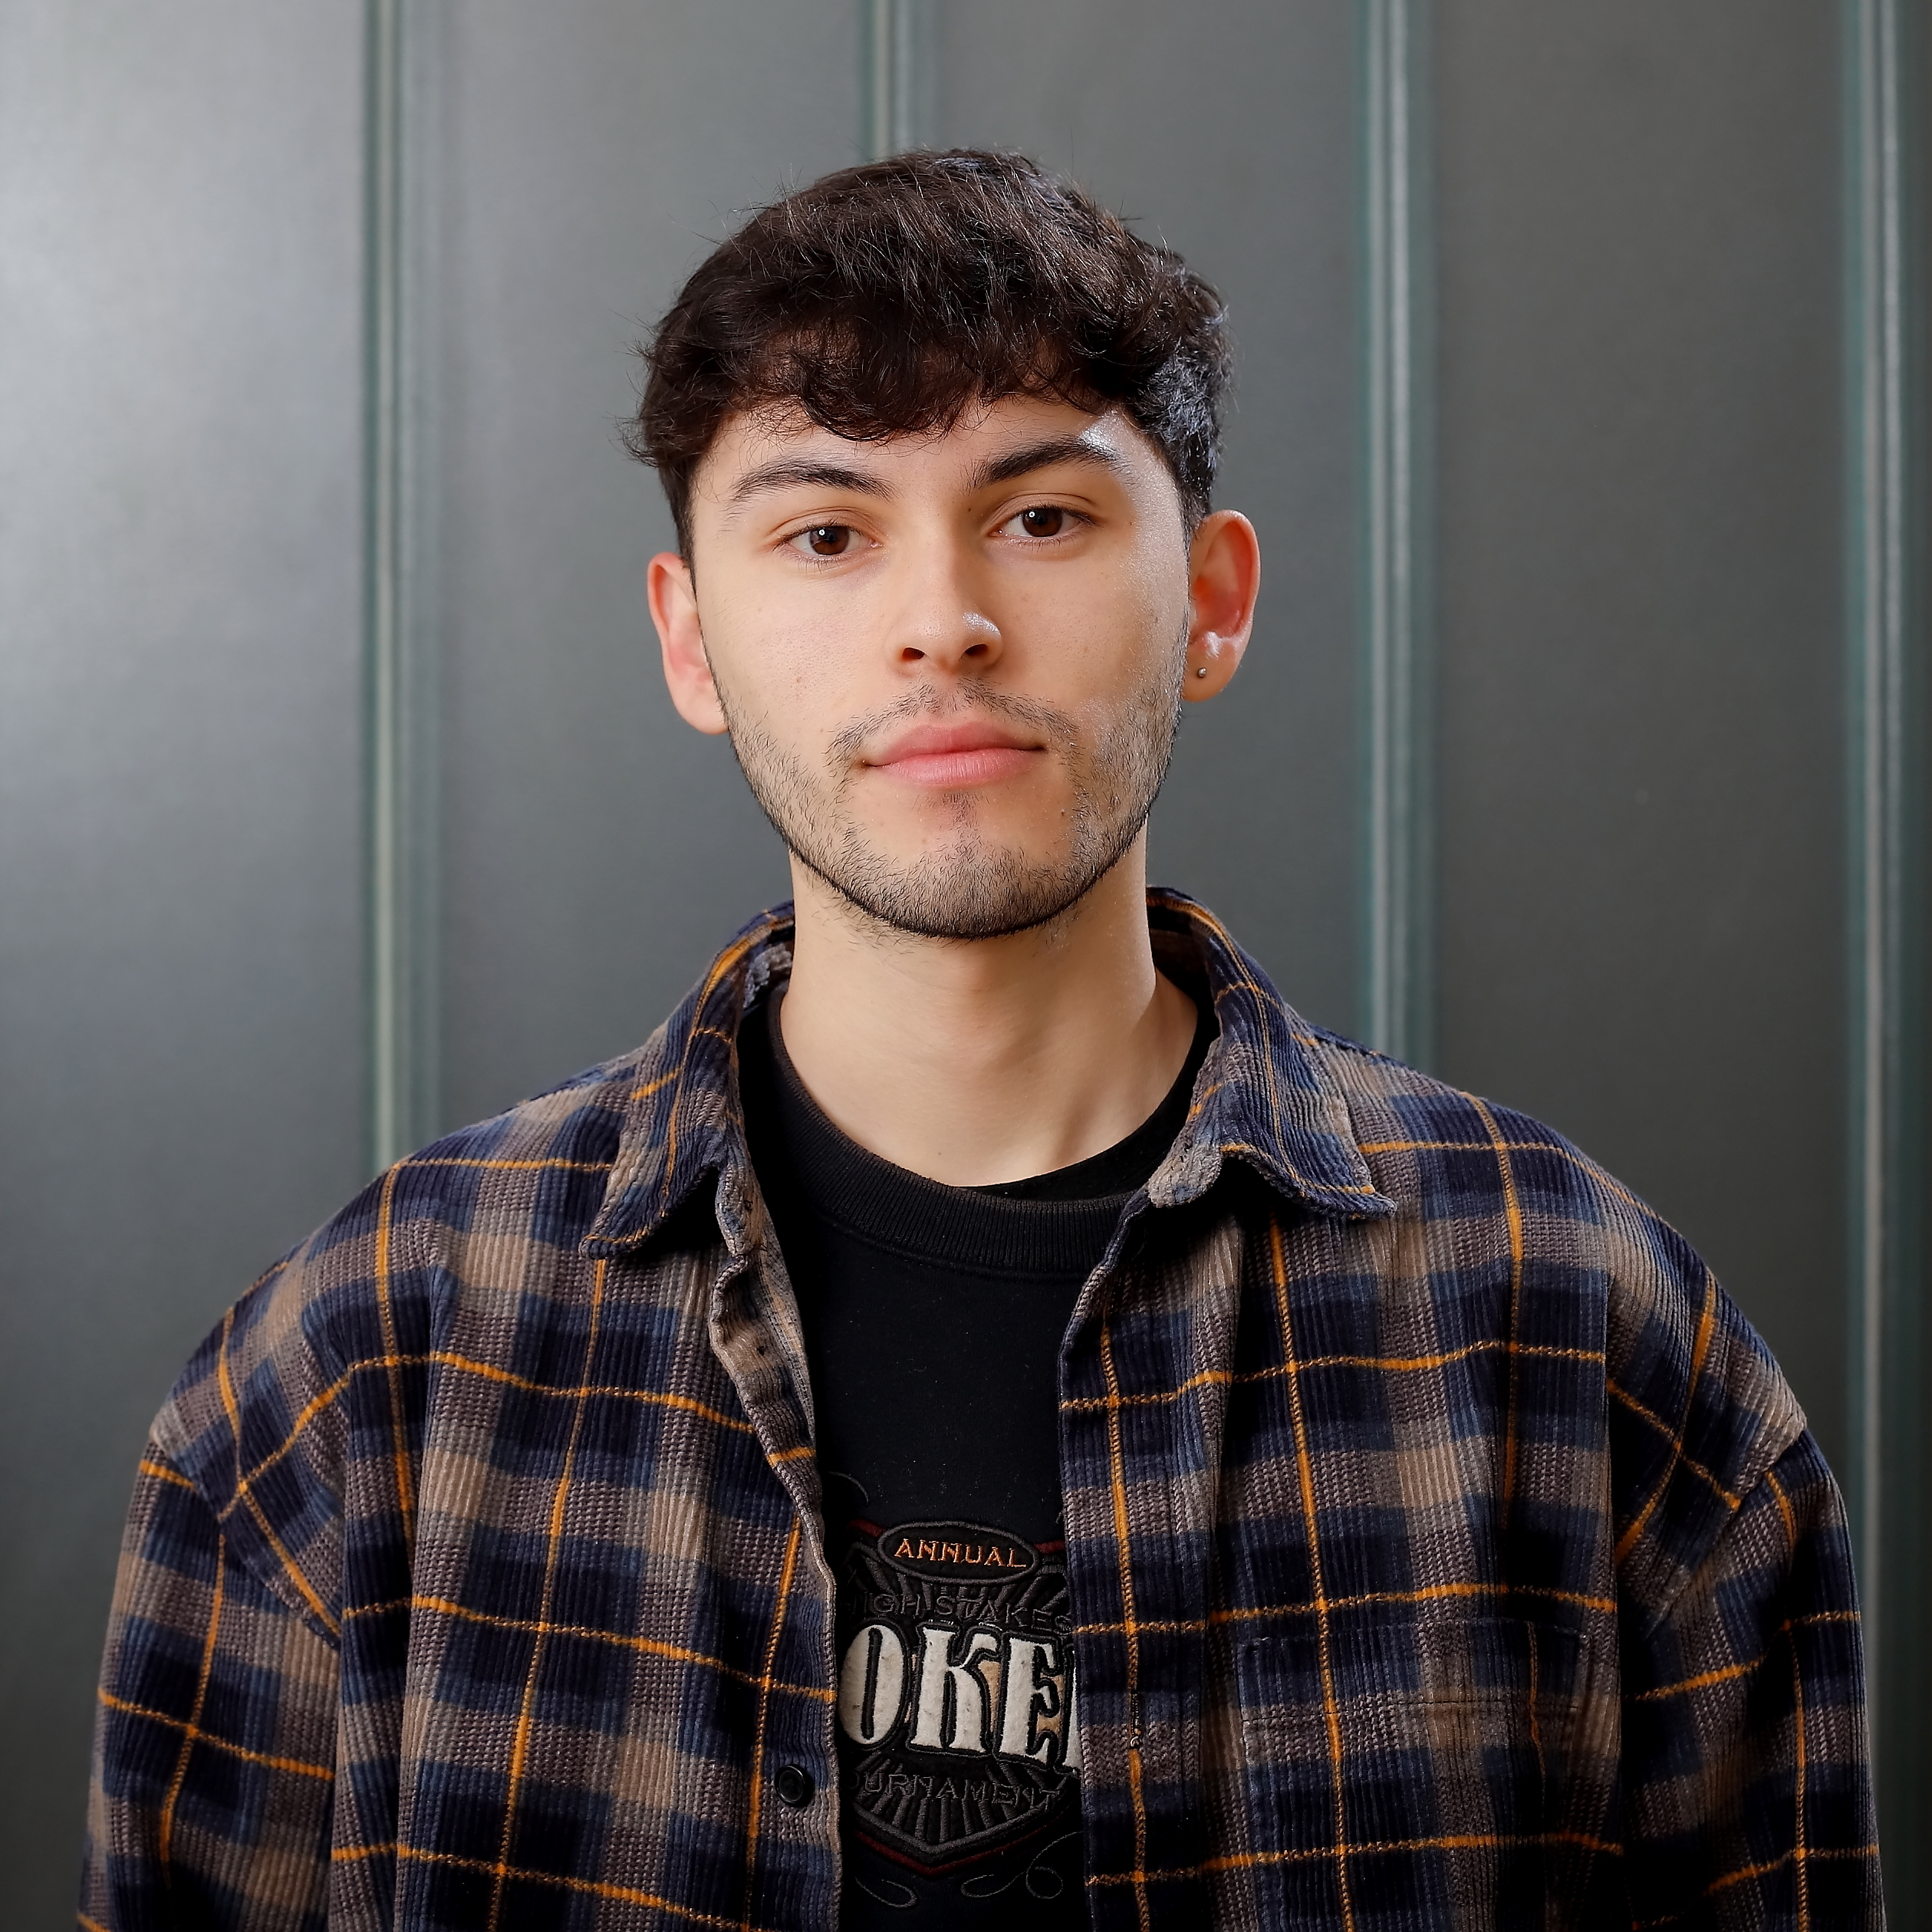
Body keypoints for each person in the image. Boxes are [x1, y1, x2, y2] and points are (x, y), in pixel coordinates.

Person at [82, 150, 1877, 1932]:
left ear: (1213, 599)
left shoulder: (1588, 1342)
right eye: (827, 533)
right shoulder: (359, 1367)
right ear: (691, 641)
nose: (941, 620)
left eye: (1042, 518)